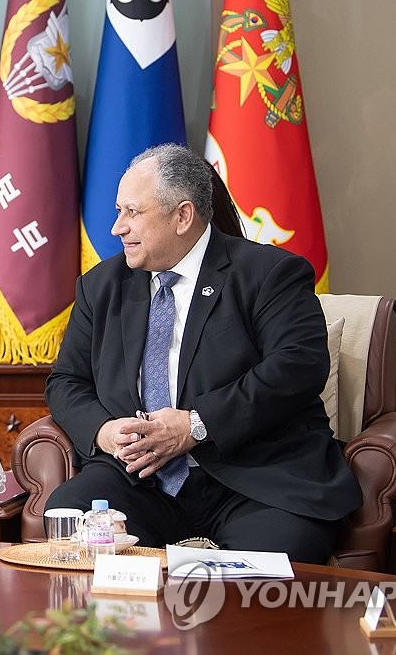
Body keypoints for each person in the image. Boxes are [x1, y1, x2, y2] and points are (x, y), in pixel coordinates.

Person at [45, 143, 360, 564]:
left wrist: (196, 425)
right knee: (72, 524)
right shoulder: (101, 286)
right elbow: (66, 381)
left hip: (254, 477)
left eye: (132, 212)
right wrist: (104, 432)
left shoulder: (269, 274)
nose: (117, 227)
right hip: (140, 479)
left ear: (183, 216)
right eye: (119, 211)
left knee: (270, 565)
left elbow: (298, 366)